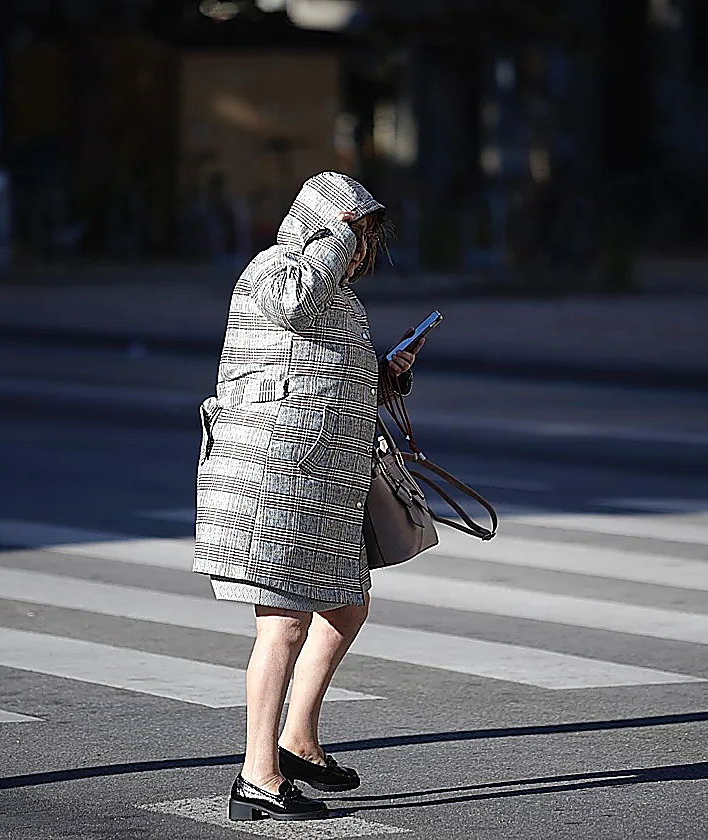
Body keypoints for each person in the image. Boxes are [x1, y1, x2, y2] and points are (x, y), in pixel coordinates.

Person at [193, 172, 421, 822]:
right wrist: (333, 238)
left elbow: (316, 368)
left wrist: (385, 376)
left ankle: (297, 740)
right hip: (274, 481)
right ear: (321, 228)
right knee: (284, 623)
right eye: (354, 235)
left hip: (321, 484)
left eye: (365, 239)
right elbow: (293, 309)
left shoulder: (338, 297)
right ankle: (256, 775)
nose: (359, 250)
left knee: (348, 605)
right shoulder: (277, 271)